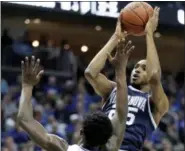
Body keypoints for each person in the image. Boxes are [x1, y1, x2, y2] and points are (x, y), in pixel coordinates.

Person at [17, 38, 133, 151]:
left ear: (81, 132)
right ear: (107, 139)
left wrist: (27, 86)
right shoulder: (112, 147)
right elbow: (122, 113)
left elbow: (24, 120)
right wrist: (121, 70)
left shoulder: (62, 148)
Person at [85, 7, 169, 151]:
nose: (137, 70)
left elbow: (154, 76)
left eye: (144, 68)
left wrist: (149, 33)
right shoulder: (113, 89)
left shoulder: (155, 103)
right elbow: (90, 73)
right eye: (136, 67)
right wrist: (116, 37)